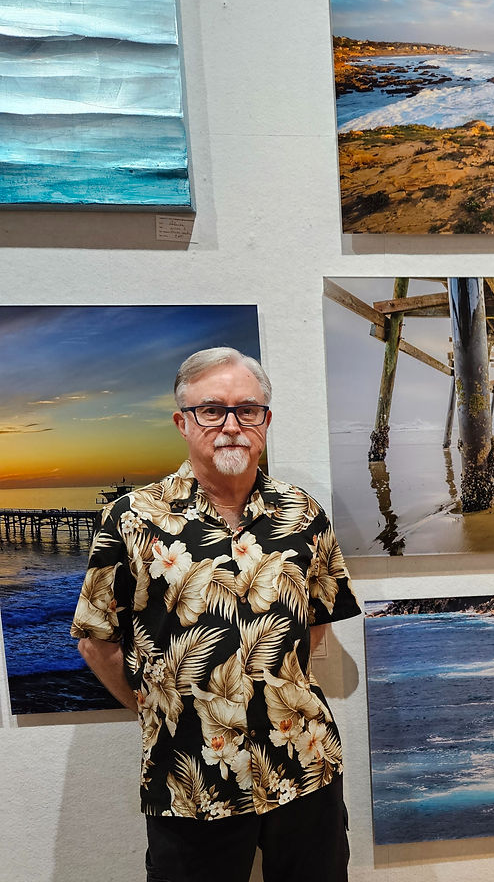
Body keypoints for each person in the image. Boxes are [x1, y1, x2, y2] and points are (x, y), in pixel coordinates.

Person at [70, 347, 361, 882]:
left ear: (265, 421)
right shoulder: (132, 520)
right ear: (183, 422)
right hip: (190, 779)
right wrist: (162, 707)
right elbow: (97, 639)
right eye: (212, 409)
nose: (231, 425)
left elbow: (315, 621)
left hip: (304, 765)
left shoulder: (303, 514)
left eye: (247, 409)